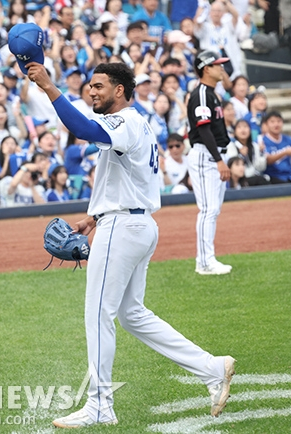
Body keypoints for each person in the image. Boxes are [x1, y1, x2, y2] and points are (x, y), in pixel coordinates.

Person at [25, 57, 235, 429]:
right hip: (132, 223)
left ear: (119, 90)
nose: (91, 91)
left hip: (123, 228)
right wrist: (94, 216)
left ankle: (100, 404)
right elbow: (123, 175)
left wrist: (48, 85)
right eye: (90, 86)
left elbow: (82, 129)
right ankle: (212, 368)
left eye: (99, 86)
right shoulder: (134, 122)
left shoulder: (122, 120)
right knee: (131, 314)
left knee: (98, 315)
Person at [187, 51, 233, 276]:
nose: (221, 69)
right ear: (206, 68)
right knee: (208, 210)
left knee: (212, 210)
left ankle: (207, 259)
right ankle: (205, 262)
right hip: (206, 156)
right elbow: (203, 128)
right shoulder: (202, 94)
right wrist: (218, 160)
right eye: (218, 65)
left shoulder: (212, 93)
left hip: (212, 155)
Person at [262, 111, 291, 183]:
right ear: (266, 124)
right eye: (272, 122)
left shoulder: (288, 140)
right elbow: (267, 160)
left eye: (279, 121)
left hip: (289, 177)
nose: (276, 124)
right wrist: (285, 152)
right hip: (272, 178)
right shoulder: (262, 141)